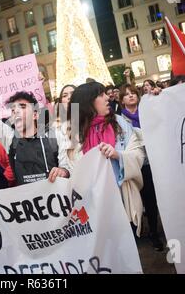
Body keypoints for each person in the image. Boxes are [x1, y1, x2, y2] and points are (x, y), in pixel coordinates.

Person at [0, 68, 71, 186]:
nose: (16, 111)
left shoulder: (54, 136)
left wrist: (63, 171)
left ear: (35, 115)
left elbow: (67, 166)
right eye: (13, 110)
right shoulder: (10, 138)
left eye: (22, 107)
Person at [67, 82, 147, 237]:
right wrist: (64, 171)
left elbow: (138, 154)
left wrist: (118, 155)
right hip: (94, 205)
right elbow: (72, 168)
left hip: (122, 198)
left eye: (106, 94)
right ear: (88, 102)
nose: (107, 98)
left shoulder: (119, 123)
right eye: (101, 94)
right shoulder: (74, 133)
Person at [119, 85, 165, 251]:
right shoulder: (120, 120)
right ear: (122, 100)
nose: (130, 96)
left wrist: (157, 96)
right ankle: (142, 232)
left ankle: (155, 231)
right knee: (140, 200)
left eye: (133, 93)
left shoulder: (148, 110)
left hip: (156, 161)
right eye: (127, 94)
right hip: (136, 165)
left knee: (154, 199)